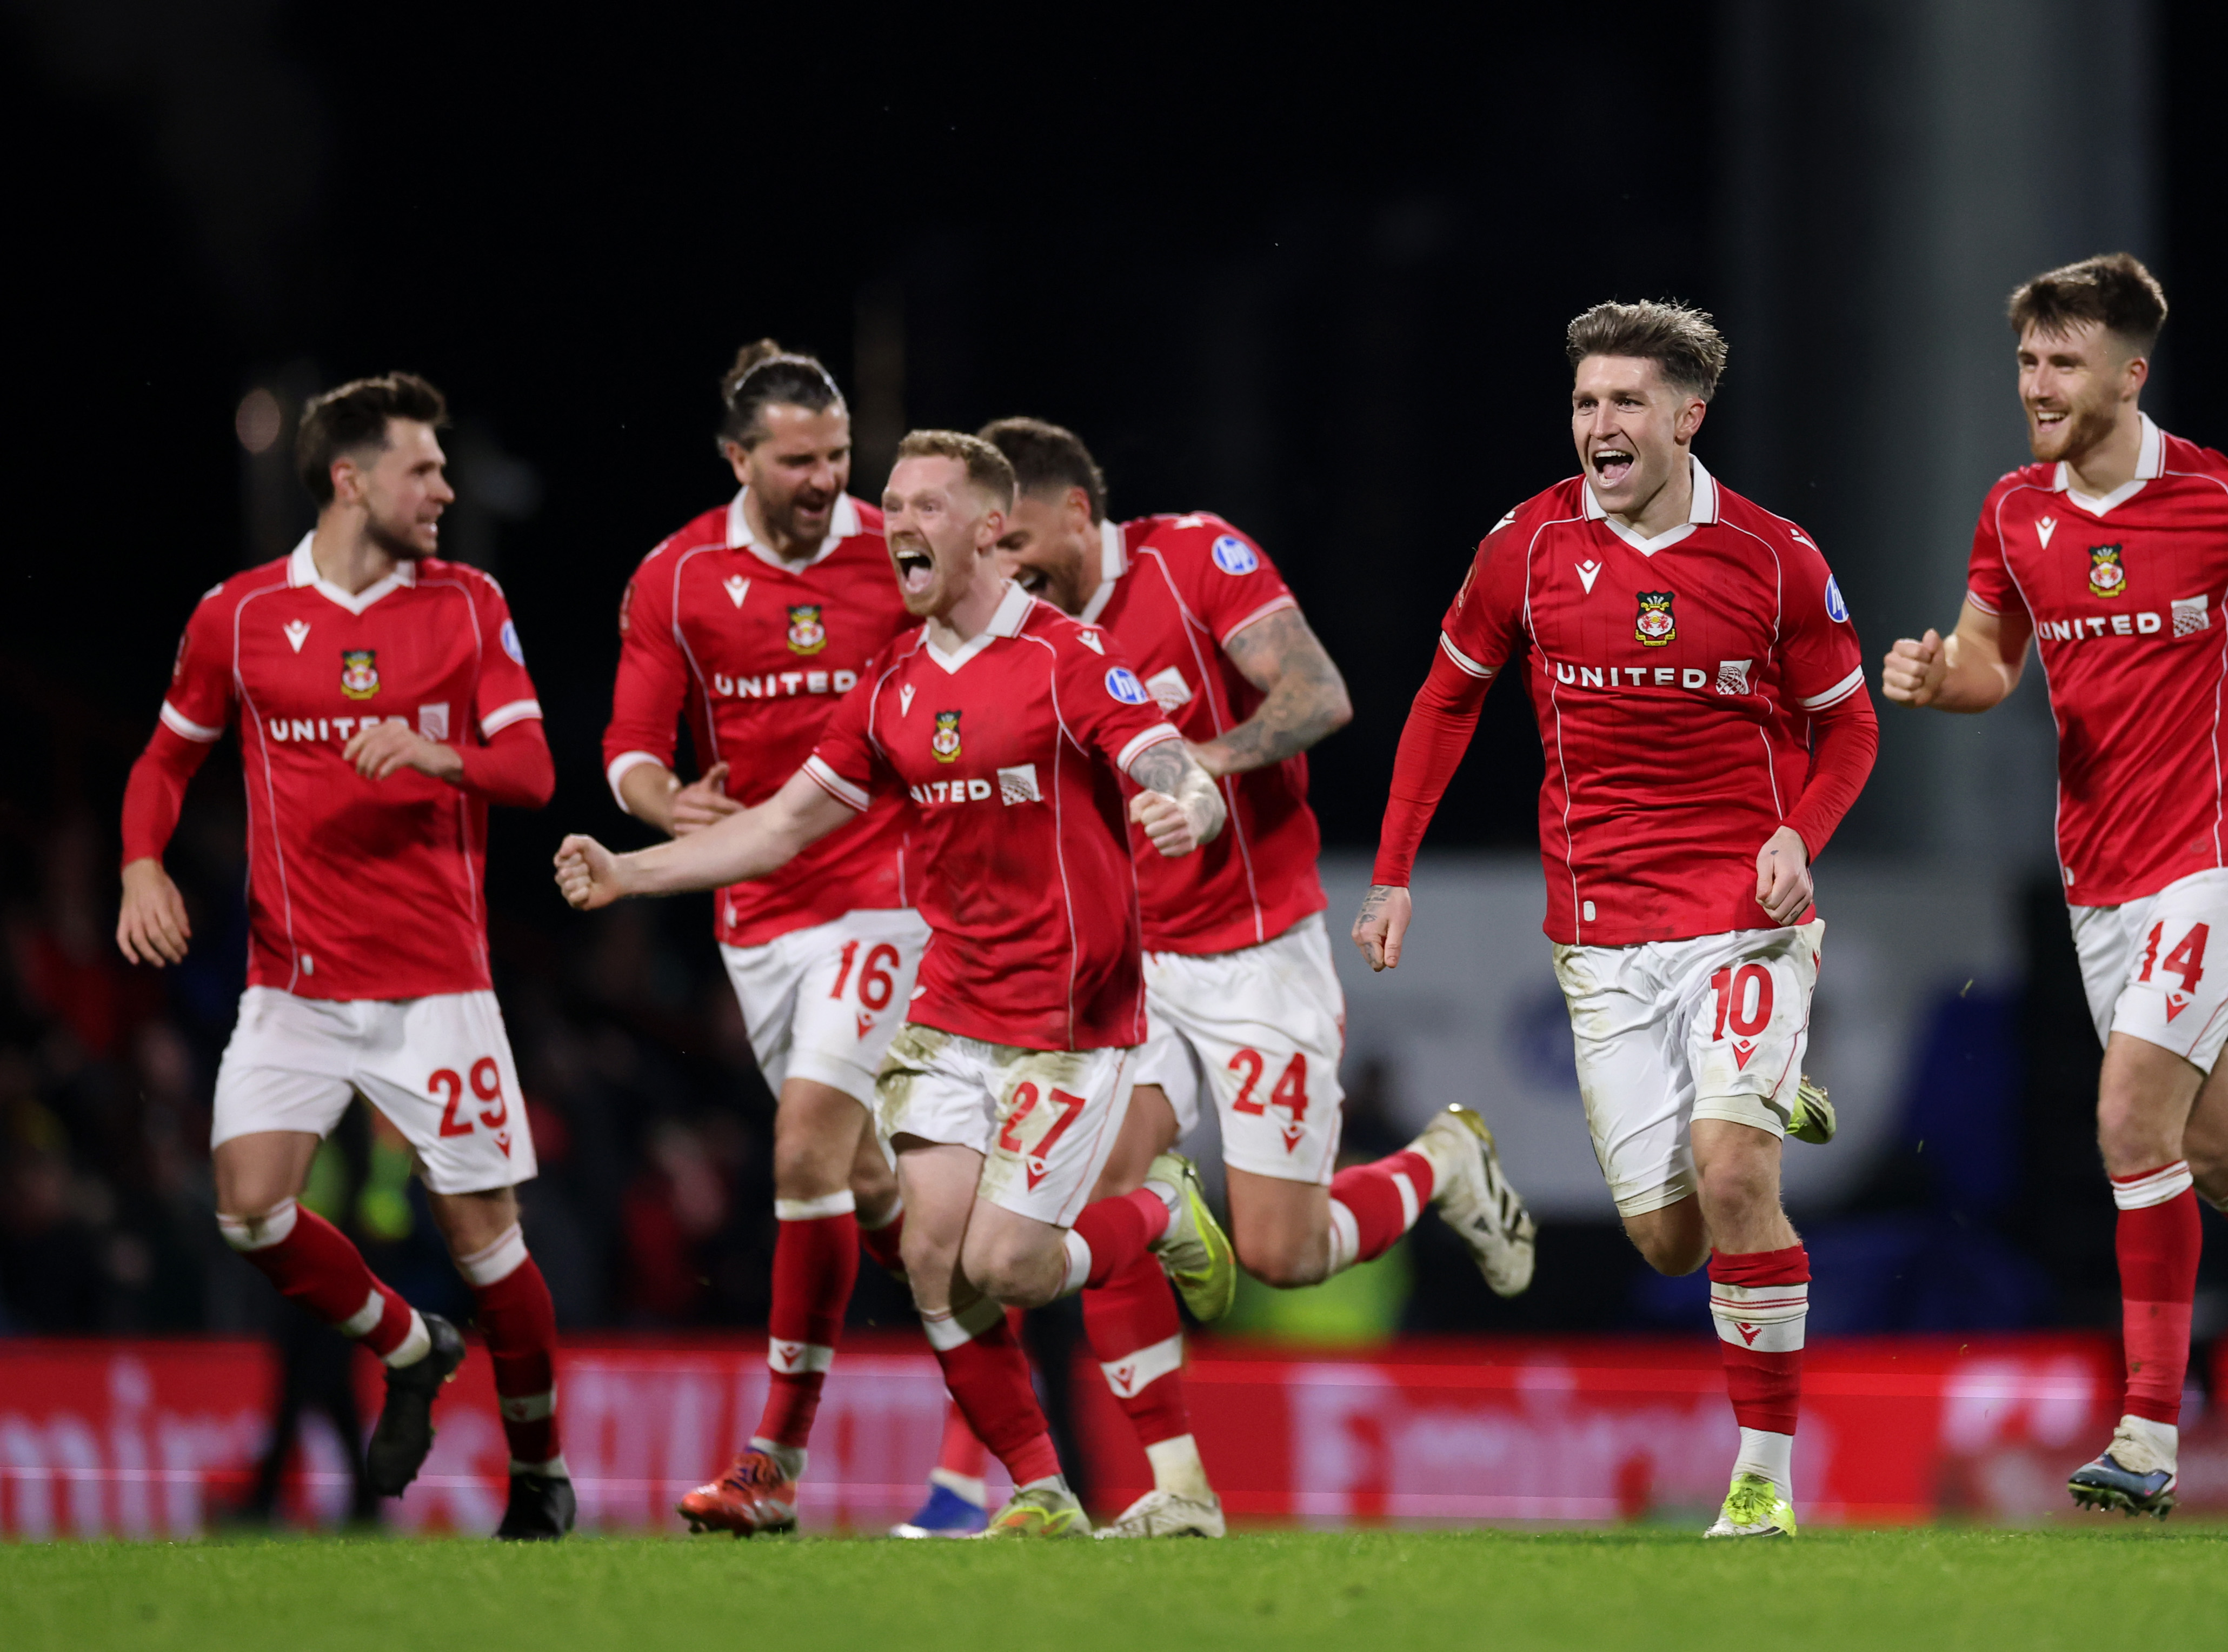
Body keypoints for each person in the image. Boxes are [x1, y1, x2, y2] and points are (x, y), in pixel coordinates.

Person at [555, 430, 1239, 1539]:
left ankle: (1159, 1207)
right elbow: (779, 824)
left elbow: (1165, 760)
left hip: (1070, 1024)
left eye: (927, 504)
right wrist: (631, 872)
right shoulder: (891, 686)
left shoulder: (1065, 655)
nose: (900, 522)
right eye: (895, 503)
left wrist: (1187, 806)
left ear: (987, 530)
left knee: (1006, 1264)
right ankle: (1041, 1493)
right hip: (951, 1013)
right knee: (929, 1262)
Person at [1881, 252, 2228, 1518]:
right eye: (2026, 360)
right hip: (2101, 877)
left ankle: (2145, 1432)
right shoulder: (2016, 511)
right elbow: (1985, 662)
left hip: (2227, 856)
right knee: (2215, 1149)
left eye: (2063, 362)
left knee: (2129, 1115)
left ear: (2131, 373)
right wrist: (1929, 674)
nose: (2037, 384)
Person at [956, 416, 1536, 1538]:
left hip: (1255, 954)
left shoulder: (1192, 560)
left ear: (1080, 512)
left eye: (1021, 540)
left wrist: (1203, 762)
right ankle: (1178, 1490)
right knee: (1097, 1190)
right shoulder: (1015, 637)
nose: (1010, 567)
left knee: (1282, 1252)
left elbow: (1319, 696)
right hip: (1130, 971)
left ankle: (1443, 1162)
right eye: (996, 549)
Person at [1354, 301, 1878, 1539]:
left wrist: (1799, 834)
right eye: (1587, 401)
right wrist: (1391, 869)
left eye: (1626, 402)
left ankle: (1761, 1481)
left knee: (1736, 1167)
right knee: (1662, 1238)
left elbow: (1849, 723)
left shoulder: (1772, 556)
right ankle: (1760, 1082)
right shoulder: (1524, 548)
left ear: (1688, 417)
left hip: (1739, 919)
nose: (1600, 425)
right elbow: (1443, 702)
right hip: (1600, 935)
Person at [117, 373, 572, 1540]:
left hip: (438, 990)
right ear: (350, 479)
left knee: (491, 1248)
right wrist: (140, 866)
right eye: (424, 469)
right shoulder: (242, 614)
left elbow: (531, 773)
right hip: (296, 985)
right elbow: (167, 759)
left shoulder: (468, 604)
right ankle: (410, 1350)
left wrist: (437, 756)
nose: (446, 489)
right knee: (249, 1209)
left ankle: (539, 1476)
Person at [601, 343, 932, 1536]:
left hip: (892, 899)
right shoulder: (677, 578)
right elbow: (632, 742)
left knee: (802, 1151)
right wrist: (657, 803)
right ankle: (1007, 1394)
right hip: (759, 919)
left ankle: (769, 1464)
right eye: (798, 461)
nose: (825, 480)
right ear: (737, 457)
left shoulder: (897, 549)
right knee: (865, 1181)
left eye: (839, 457)